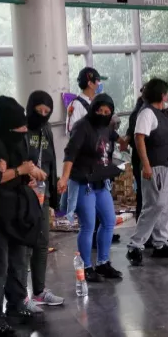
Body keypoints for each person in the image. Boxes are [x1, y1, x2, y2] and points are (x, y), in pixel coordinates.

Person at [0, 95, 44, 337]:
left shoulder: (17, 141)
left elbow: (21, 169)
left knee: (19, 261)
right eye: (20, 128)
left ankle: (17, 303)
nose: (24, 131)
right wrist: (19, 171)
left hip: (17, 211)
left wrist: (26, 175)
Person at [60, 93, 123, 282]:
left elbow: (116, 137)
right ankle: (86, 267)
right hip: (83, 183)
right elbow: (70, 154)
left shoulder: (107, 126)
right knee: (88, 225)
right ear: (92, 109)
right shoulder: (82, 127)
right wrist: (64, 178)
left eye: (107, 111)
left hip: (101, 181)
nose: (103, 114)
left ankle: (103, 263)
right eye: (100, 110)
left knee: (109, 220)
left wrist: (128, 141)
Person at [128, 78, 168, 265]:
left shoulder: (163, 114)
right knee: (155, 205)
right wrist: (146, 165)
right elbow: (139, 138)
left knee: (167, 207)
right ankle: (135, 245)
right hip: (158, 166)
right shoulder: (147, 113)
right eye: (166, 93)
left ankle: (160, 244)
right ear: (161, 94)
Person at [24, 91, 65, 309]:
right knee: (24, 246)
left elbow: (51, 162)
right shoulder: (21, 129)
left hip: (43, 195)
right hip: (23, 195)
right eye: (38, 110)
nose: (42, 115)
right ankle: (21, 297)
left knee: (42, 243)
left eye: (47, 112)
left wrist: (53, 195)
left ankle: (39, 291)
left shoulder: (46, 129)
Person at [61, 67, 107, 231]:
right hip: (84, 161)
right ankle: (92, 232)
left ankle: (101, 228)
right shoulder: (77, 105)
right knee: (86, 199)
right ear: (90, 83)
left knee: (101, 195)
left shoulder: (98, 103)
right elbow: (72, 132)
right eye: (97, 81)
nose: (99, 84)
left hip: (99, 158)